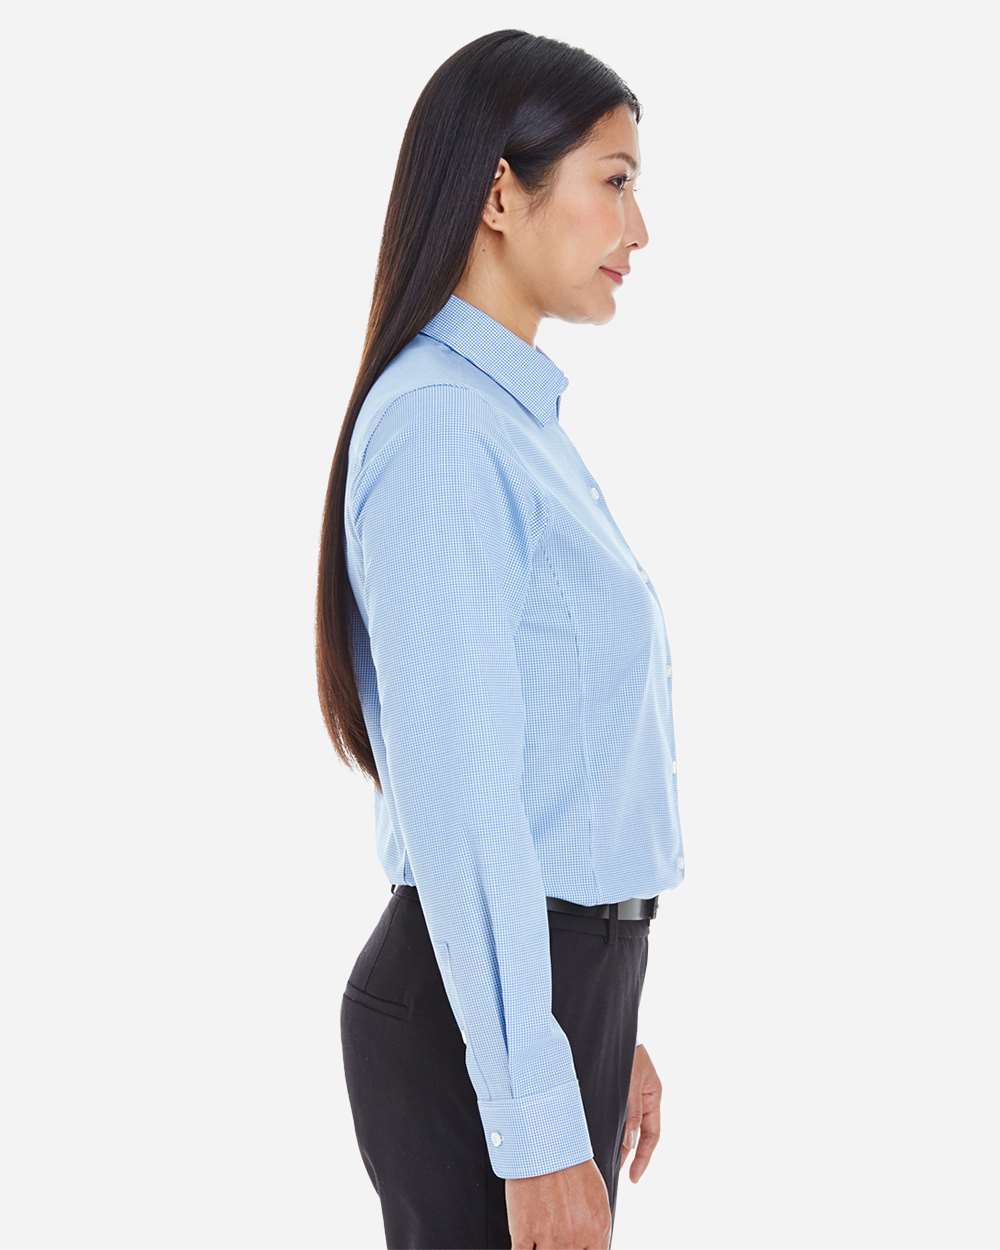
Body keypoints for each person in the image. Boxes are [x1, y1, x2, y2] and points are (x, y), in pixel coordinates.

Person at [315, 29, 686, 1250]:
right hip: (468, 1021)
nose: (638, 229)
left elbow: (549, 769)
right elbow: (466, 800)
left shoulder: (508, 424)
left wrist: (598, 1026)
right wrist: (534, 1111)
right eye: (614, 181)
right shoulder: (440, 432)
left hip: (544, 996)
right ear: (497, 195)